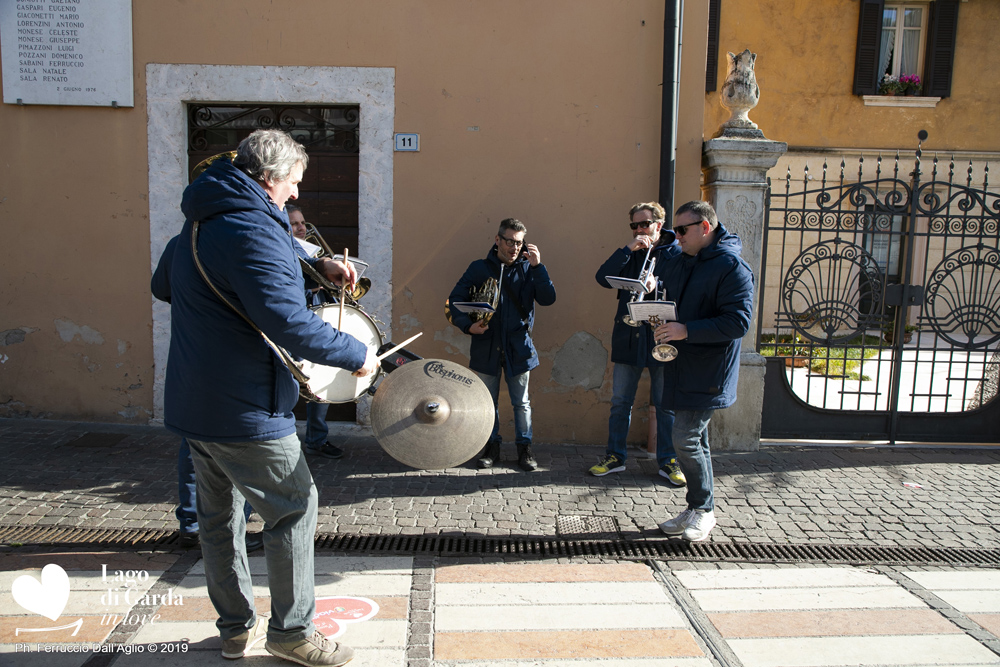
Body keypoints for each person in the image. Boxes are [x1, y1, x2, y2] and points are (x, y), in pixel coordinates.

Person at [152, 129, 376, 666]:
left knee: (218, 519)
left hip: (196, 402)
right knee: (294, 508)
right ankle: (292, 633)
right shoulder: (252, 228)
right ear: (271, 178)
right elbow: (286, 320)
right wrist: (354, 353)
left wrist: (310, 266)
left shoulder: (201, 220)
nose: (296, 195)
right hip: (245, 406)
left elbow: (164, 285)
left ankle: (234, 629)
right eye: (294, 182)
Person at [653, 201, 754, 543]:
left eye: (682, 230)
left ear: (705, 227)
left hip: (709, 370)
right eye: (675, 231)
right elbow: (674, 303)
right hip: (682, 364)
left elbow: (738, 322)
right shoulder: (683, 260)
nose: (676, 237)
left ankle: (703, 510)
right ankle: (699, 506)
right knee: (697, 439)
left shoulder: (731, 267)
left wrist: (685, 330)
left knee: (684, 437)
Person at [447, 218, 556, 472]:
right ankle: (491, 448)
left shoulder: (530, 268)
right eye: (509, 241)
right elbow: (454, 301)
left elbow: (548, 298)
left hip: (519, 346)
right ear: (497, 240)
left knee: (522, 403)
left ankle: (525, 449)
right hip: (486, 344)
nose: (514, 247)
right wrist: (468, 326)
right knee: (487, 402)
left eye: (519, 243)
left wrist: (538, 267)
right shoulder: (479, 268)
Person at [591, 202, 685, 486]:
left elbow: (684, 288)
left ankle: (668, 460)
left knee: (665, 403)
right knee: (620, 402)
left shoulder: (676, 252)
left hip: (661, 336)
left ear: (659, 224)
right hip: (629, 336)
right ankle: (615, 457)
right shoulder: (631, 251)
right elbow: (602, 278)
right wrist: (627, 249)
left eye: (644, 224)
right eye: (634, 225)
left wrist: (658, 284)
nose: (639, 230)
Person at [287, 204, 343, 460]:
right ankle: (282, 444)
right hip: (294, 326)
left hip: (318, 319)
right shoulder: (282, 249)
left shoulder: (313, 251)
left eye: (302, 222)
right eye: (294, 223)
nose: (301, 228)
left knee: (322, 382)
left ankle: (316, 439)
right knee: (287, 386)